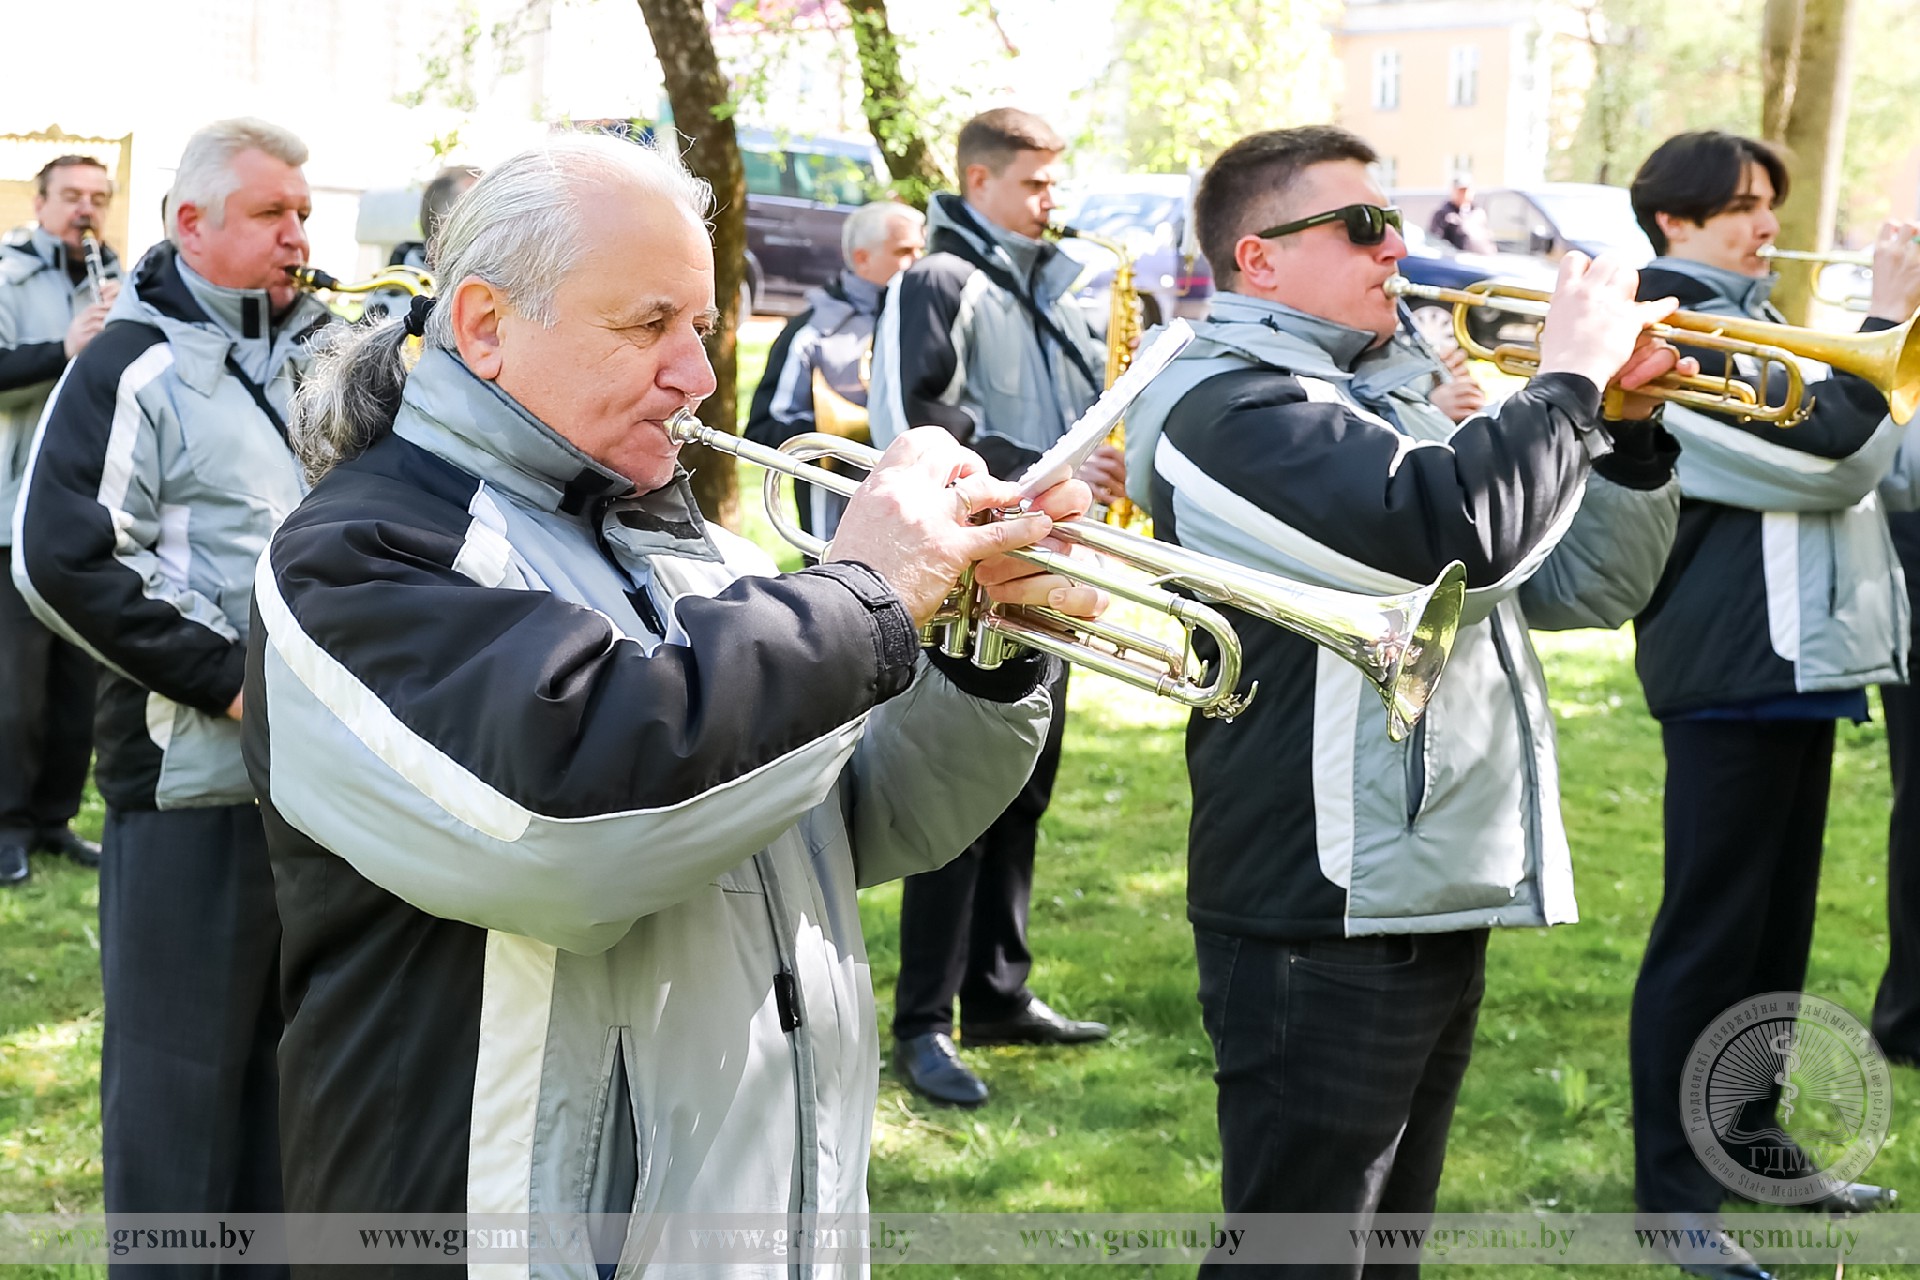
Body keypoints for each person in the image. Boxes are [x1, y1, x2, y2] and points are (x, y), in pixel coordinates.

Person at [245, 131, 1099, 1258]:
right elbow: (570, 827)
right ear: (486, 326)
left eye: (699, 326)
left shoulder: (694, 550)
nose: (696, 374)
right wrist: (866, 596)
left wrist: (977, 653)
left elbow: (862, 816)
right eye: (648, 325)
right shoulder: (363, 556)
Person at [1119, 124, 1686, 1276]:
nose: (1397, 248)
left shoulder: (1383, 397)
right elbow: (1452, 532)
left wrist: (1623, 435)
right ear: (1258, 258)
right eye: (1363, 225)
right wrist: (1568, 380)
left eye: (1397, 223)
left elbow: (1581, 586)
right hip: (1319, 897)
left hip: (1426, 877)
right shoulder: (1224, 410)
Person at [12, 117, 332, 1261]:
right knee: (177, 1093)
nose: (299, 235)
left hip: (324, 788)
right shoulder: (125, 361)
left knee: (290, 1086)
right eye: (272, 213)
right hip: (188, 783)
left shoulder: (328, 354)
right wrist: (234, 684)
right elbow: (65, 556)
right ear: (191, 223)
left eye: (304, 213)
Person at [1622, 130, 1920, 1278]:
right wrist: (1885, 323)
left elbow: (1886, 464)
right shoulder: (1667, 328)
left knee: (1772, 937)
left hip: (1802, 662)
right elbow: (1831, 458)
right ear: (1673, 221)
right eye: (1741, 205)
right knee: (1707, 937)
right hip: (1728, 661)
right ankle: (1673, 1198)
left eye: (1769, 203)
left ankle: (1749, 1140)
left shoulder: (1760, 322)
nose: (1765, 224)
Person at [867, 107, 1116, 1108]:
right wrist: (1049, 468)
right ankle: (923, 1022)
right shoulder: (935, 280)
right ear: (978, 182)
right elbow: (917, 423)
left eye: (1057, 180)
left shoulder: (1060, 284)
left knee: (1025, 786)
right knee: (956, 803)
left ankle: (999, 991)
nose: (1053, 200)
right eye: (1034, 183)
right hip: (968, 575)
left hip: (1048, 564)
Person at [0, 155, 120, 886]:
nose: (86, 209)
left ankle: (54, 819)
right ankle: (6, 826)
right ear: (40, 201)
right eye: (72, 195)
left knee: (80, 685)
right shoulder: (7, 275)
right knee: (15, 689)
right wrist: (65, 349)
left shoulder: (115, 279)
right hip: (14, 513)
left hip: (90, 511)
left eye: (98, 198)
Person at [744, 199, 926, 540]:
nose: (917, 261)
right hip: (837, 521)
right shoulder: (811, 333)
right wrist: (841, 431)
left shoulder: (923, 321)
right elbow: (763, 432)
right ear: (862, 258)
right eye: (904, 251)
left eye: (921, 250)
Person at [1427, 174, 1495, 255]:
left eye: (1466, 190)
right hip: (1455, 259)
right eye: (1460, 191)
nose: (1464, 194)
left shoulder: (1478, 214)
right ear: (1453, 191)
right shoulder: (1443, 215)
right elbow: (1435, 242)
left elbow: (1487, 239)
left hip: (1480, 258)